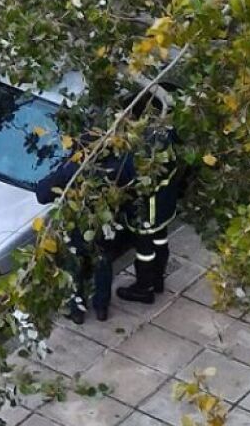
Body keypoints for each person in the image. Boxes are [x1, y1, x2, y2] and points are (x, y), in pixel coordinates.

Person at [35, 135, 136, 324]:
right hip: (105, 227)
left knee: (75, 268)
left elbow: (42, 193)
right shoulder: (118, 165)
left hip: (77, 229)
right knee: (103, 263)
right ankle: (101, 308)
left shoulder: (72, 170)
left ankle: (77, 311)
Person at [112, 95, 189, 304]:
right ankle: (158, 279)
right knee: (161, 240)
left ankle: (144, 288)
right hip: (165, 203)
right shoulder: (165, 135)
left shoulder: (141, 152)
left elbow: (125, 177)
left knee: (145, 250)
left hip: (147, 209)